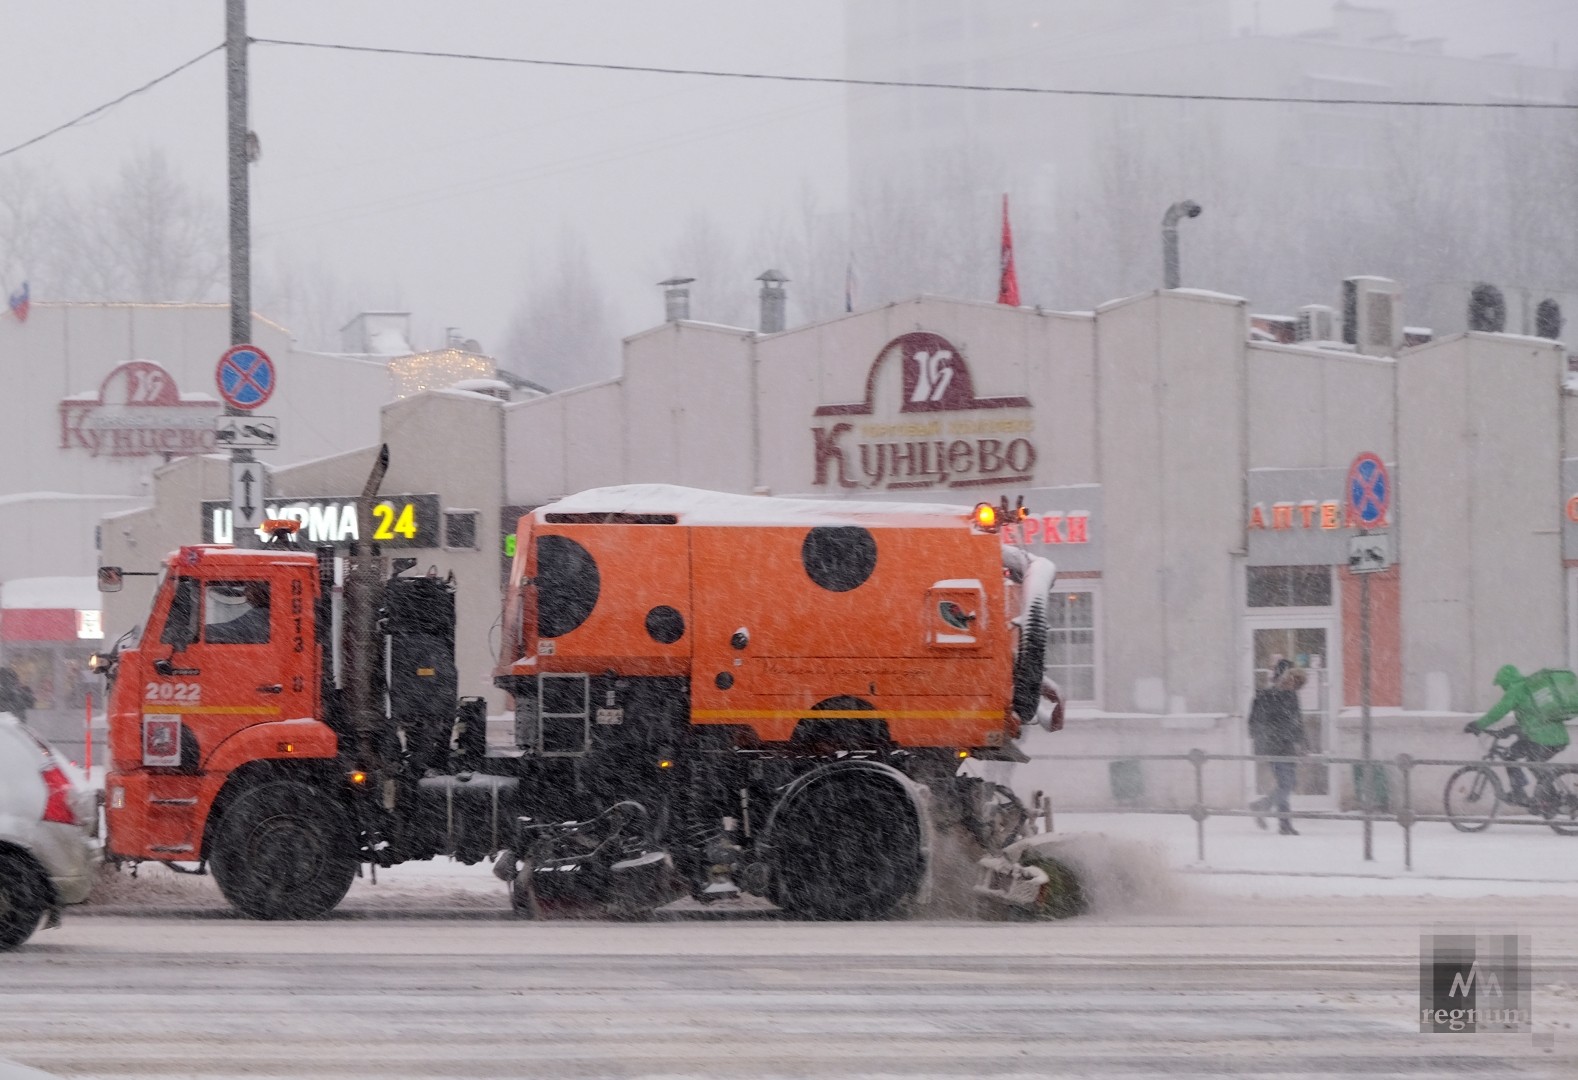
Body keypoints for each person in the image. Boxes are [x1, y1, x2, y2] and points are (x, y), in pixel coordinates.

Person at [1465, 665, 1571, 806]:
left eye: (1502, 684)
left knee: (1512, 757)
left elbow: (1499, 710)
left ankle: (1523, 794)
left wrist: (1479, 725)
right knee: (1530, 761)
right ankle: (1546, 798)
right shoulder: (1528, 689)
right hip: (1555, 738)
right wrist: (1507, 730)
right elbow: (1530, 719)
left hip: (1542, 739)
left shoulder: (1516, 690)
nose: (1502, 688)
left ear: (1506, 681)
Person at [1248, 660, 1307, 835]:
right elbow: (1254, 723)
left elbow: (1297, 723)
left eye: (1296, 682)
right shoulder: (1266, 696)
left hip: (1287, 746)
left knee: (1287, 784)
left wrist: (1302, 744)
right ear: (1282, 677)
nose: (1293, 683)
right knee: (1286, 784)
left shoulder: (1292, 696)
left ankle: (1283, 823)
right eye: (1290, 678)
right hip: (1274, 747)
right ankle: (1264, 808)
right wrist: (1263, 743)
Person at [203, 581, 272, 645]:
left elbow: (231, 630)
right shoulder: (268, 615)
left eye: (248, 587)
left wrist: (199, 631)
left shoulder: (258, 616)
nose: (245, 591)